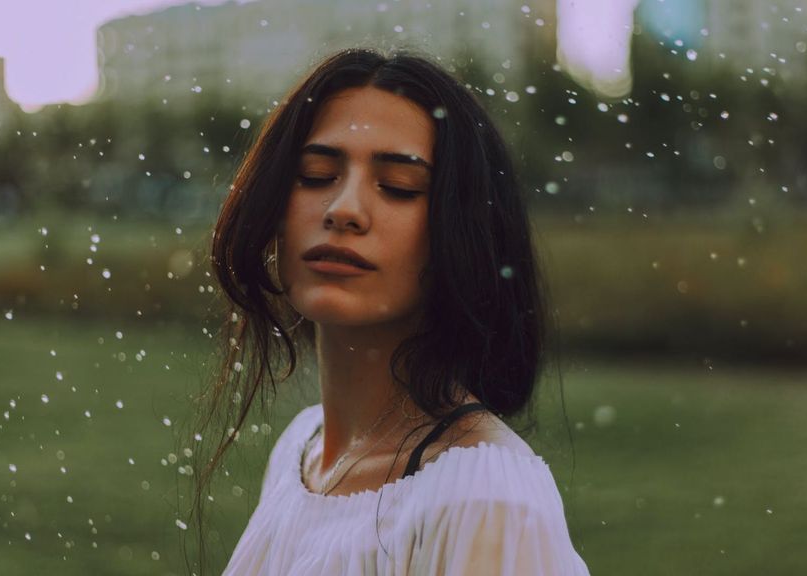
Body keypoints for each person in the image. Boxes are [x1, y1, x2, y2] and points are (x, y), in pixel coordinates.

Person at [199, 47, 591, 575]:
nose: (343, 209)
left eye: (399, 187)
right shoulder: (302, 450)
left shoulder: (485, 499)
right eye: (315, 175)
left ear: (461, 232)